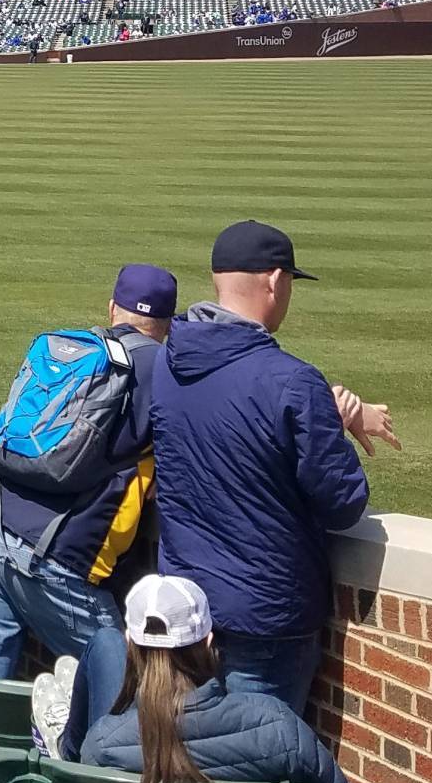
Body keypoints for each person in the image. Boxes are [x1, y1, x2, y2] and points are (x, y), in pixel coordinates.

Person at [144, 222, 388, 715]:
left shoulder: (167, 362)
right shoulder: (294, 382)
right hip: (267, 616)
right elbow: (343, 504)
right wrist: (333, 420)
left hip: (188, 610)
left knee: (192, 755)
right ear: (275, 282)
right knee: (255, 761)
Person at [0, 264, 175, 719]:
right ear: (169, 324)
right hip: (55, 557)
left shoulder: (68, 347)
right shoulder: (164, 369)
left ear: (112, 308)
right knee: (127, 702)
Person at [59, 574, 351, 783]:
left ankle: (61, 744)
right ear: (209, 642)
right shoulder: (279, 726)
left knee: (102, 641)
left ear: (131, 645)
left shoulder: (100, 746)